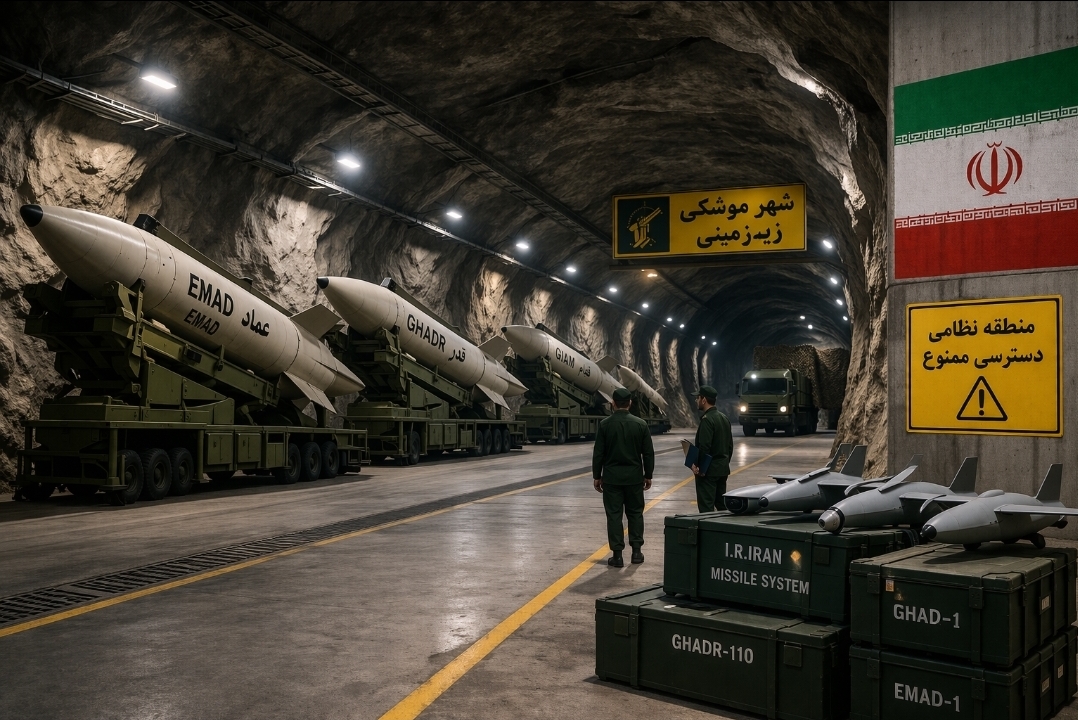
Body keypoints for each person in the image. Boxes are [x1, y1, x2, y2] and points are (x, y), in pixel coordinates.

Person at [593, 387, 655, 567]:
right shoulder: (641, 425)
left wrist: (597, 475)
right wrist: (648, 475)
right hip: (634, 478)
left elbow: (599, 454)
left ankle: (617, 556)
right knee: (635, 513)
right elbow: (648, 453)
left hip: (612, 479)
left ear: (613, 403)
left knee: (614, 516)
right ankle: (636, 553)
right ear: (630, 403)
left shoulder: (605, 425)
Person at [691, 385, 732, 512]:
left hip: (708, 472)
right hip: (722, 469)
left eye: (698, 398)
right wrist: (724, 463)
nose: (696, 401)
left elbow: (704, 447)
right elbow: (730, 446)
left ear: (704, 400)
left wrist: (699, 467)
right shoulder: (724, 418)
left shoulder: (707, 420)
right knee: (722, 506)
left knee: (706, 508)